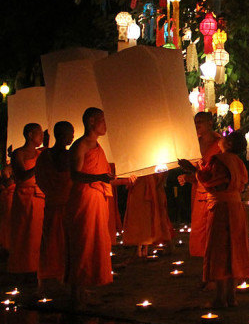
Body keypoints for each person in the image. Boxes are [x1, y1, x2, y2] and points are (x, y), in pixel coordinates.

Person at [65, 107, 135, 308]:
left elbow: (105, 178)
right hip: (83, 200)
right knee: (82, 243)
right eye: (102, 120)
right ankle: (75, 292)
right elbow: (75, 175)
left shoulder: (98, 147)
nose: (105, 125)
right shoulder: (80, 146)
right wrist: (99, 178)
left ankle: (83, 289)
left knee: (94, 243)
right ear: (91, 122)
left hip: (98, 200)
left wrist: (124, 181)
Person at [195, 130, 249, 308]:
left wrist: (195, 170)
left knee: (219, 249)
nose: (221, 140)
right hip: (236, 207)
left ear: (228, 145)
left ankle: (220, 297)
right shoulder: (240, 163)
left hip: (220, 208)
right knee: (235, 248)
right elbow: (240, 184)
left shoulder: (218, 160)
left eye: (224, 138)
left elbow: (211, 182)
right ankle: (232, 296)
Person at [36, 121, 75, 291]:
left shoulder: (45, 156)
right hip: (64, 203)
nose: (73, 137)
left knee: (51, 240)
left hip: (52, 202)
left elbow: (40, 179)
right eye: (70, 133)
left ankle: (51, 276)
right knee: (64, 242)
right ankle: (60, 275)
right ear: (63, 135)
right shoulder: (68, 156)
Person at [7, 123, 47, 278]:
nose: (42, 137)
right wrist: (39, 166)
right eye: (40, 134)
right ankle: (22, 266)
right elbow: (22, 176)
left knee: (37, 232)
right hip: (24, 196)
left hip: (39, 195)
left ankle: (37, 265)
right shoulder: (19, 153)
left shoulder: (40, 153)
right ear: (30, 135)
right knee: (24, 231)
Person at [186, 111, 222, 258]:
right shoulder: (195, 143)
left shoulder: (219, 143)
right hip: (198, 188)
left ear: (210, 123)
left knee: (213, 224)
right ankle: (201, 253)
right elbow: (195, 169)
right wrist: (189, 176)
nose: (197, 125)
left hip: (215, 190)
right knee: (199, 224)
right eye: (195, 122)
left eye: (200, 121)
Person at [122, 172, 173, 257]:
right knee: (138, 216)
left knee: (150, 217)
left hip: (152, 187)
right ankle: (138, 246)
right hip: (138, 186)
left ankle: (147, 246)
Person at [0, 156, 15, 255]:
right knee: (8, 220)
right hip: (9, 194)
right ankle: (7, 244)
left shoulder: (3, 169)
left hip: (7, 194)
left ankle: (4, 244)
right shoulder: (8, 169)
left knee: (5, 220)